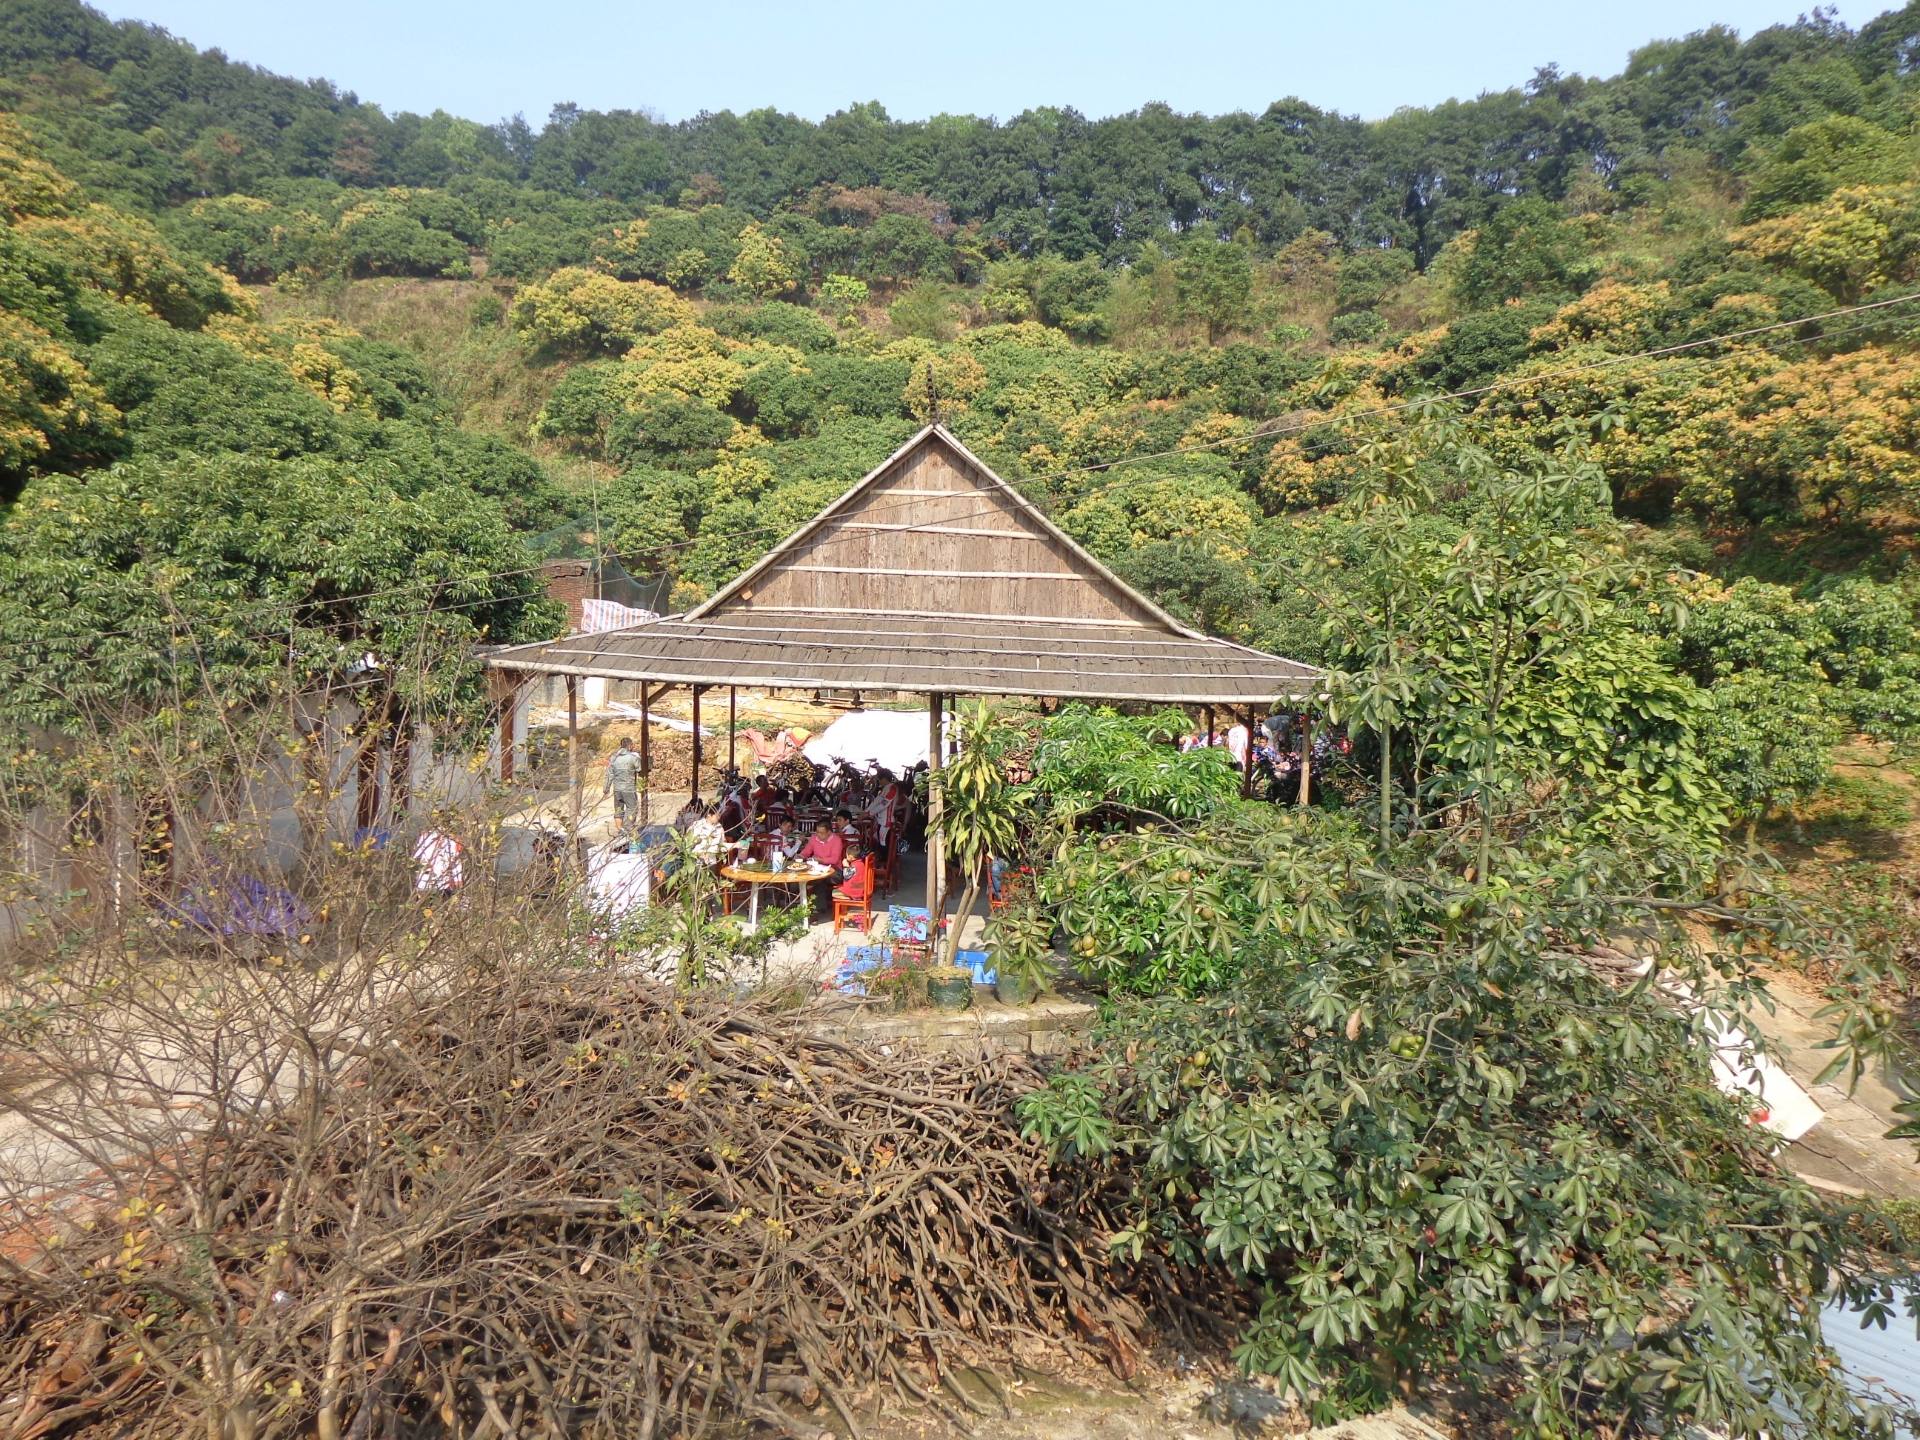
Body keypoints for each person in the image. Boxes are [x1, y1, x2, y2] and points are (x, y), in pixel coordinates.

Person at [796, 819, 848, 920]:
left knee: (818, 880)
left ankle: (814, 910)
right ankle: (813, 907)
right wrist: (800, 855)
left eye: (821, 833)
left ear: (829, 832)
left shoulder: (836, 840)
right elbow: (807, 851)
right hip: (818, 869)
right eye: (817, 832)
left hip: (835, 871)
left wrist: (820, 859)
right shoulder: (814, 838)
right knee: (810, 878)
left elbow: (834, 859)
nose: (818, 835)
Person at [605, 737, 643, 835]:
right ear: (630, 745)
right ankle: (627, 828)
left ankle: (620, 830)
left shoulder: (613, 758)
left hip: (617, 789)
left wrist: (606, 789)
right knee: (632, 808)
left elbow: (609, 774)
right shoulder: (633, 757)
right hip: (628, 788)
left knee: (618, 810)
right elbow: (639, 769)